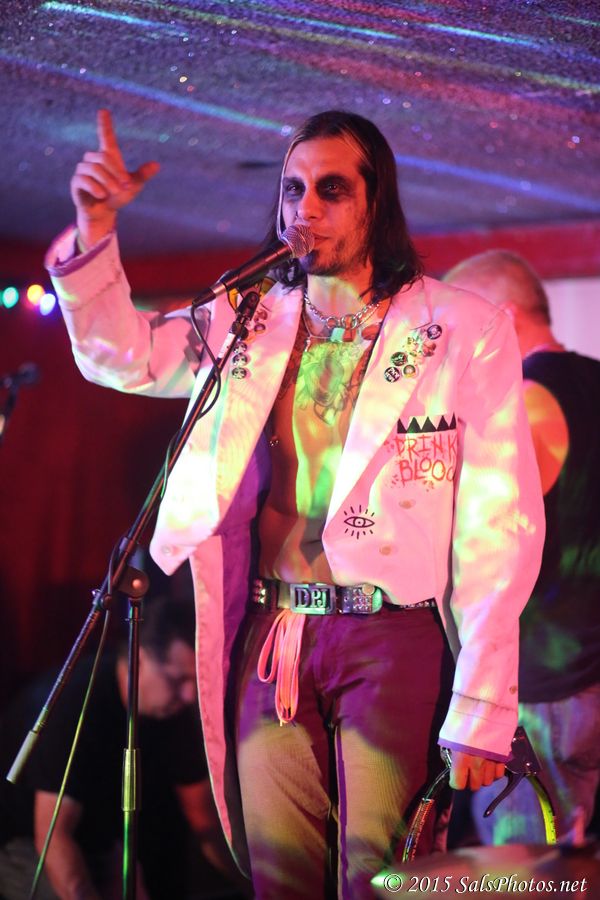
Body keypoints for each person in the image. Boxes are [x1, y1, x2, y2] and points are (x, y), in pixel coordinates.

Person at [44, 108, 545, 898]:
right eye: (293, 189)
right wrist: (96, 226)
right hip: (272, 632)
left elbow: (499, 525)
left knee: (381, 877)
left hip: (392, 637)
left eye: (331, 190)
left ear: (376, 203)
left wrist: (484, 704)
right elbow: (124, 357)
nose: (305, 208)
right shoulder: (248, 316)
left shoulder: (460, 328)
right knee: (279, 877)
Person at [444, 250, 600, 846]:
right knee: (568, 861)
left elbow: (487, 537)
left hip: (540, 686)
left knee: (522, 869)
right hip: (585, 673)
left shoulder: (525, 403)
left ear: (503, 317)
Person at [0, 594, 240, 900]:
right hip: (22, 844)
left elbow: (203, 819)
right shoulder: (77, 705)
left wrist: (258, 889)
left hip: (100, 841)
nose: (190, 696)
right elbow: (53, 837)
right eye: (178, 679)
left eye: (196, 681)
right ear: (138, 659)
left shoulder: (172, 712)